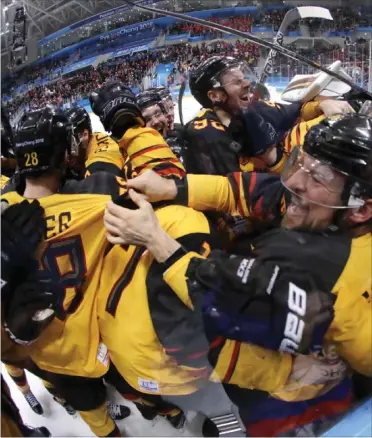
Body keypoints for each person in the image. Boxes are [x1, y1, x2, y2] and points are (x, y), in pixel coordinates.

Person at [109, 113, 372, 436]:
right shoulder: (324, 209)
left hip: (300, 408)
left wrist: (158, 241)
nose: (295, 181)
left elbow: (216, 297)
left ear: (361, 209)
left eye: (317, 177)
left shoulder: (331, 275)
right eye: (302, 162)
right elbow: (242, 191)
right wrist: (173, 187)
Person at [186, 56, 355, 175]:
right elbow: (233, 196)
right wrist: (273, 160)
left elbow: (294, 111)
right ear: (214, 95)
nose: (247, 84)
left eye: (244, 78)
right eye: (237, 82)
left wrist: (321, 104)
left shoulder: (252, 108)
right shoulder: (207, 133)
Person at [65, 106, 125, 178]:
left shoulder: (98, 167)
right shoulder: (96, 136)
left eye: (70, 142)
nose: (66, 152)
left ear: (85, 135)